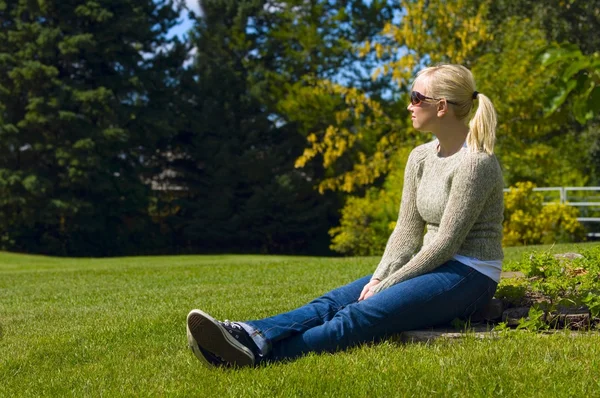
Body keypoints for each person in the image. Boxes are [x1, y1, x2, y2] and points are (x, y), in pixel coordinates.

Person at [186, 64, 504, 368]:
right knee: (332, 302)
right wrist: (381, 276)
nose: (409, 106)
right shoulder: (420, 157)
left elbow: (447, 243)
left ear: (442, 106)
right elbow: (406, 231)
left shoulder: (476, 163)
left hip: (469, 275)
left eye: (415, 98)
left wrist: (389, 284)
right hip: (431, 265)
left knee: (356, 317)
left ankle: (252, 356)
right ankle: (252, 333)